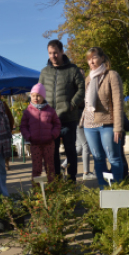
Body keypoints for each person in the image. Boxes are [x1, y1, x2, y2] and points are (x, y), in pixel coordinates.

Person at [39, 39, 85, 182]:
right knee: (52, 153)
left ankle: (71, 181)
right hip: (50, 120)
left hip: (68, 119)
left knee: (71, 151)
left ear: (62, 52)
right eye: (50, 53)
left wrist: (71, 104)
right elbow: (39, 92)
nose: (53, 56)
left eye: (55, 53)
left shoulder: (72, 70)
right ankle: (56, 181)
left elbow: (82, 89)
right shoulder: (45, 72)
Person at [81, 47, 124, 188]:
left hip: (107, 124)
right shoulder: (88, 78)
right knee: (98, 159)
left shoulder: (112, 75)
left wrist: (118, 127)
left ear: (102, 58)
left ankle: (117, 190)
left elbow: (118, 102)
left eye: (94, 57)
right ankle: (103, 190)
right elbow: (87, 103)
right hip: (89, 125)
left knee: (114, 158)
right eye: (88, 59)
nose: (91, 61)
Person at [20, 83, 61, 183]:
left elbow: (57, 124)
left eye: (38, 95)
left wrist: (53, 135)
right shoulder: (28, 112)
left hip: (49, 143)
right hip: (35, 144)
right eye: (33, 95)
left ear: (43, 96)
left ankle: (52, 188)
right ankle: (36, 190)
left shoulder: (50, 111)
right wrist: (28, 136)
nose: (36, 98)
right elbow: (23, 126)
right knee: (36, 167)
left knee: (50, 166)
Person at [0, 92, 15, 171]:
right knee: (6, 149)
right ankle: (6, 164)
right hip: (5, 131)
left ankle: (2, 165)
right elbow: (11, 119)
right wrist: (10, 129)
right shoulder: (4, 105)